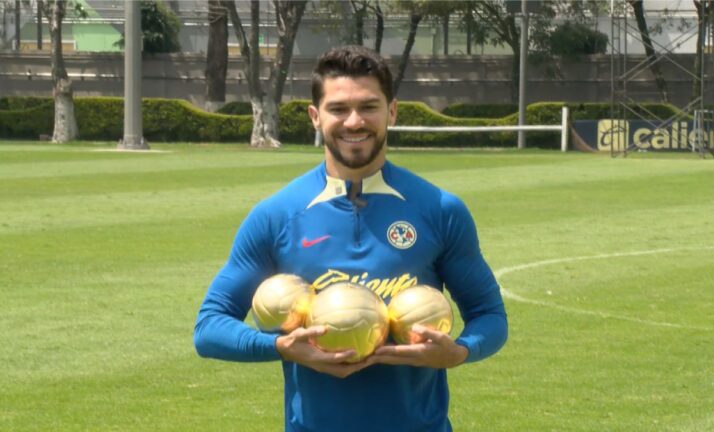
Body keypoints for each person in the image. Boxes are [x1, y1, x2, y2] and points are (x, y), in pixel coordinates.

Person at [194, 45, 508, 432]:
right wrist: (280, 347)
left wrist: (460, 352)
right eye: (339, 109)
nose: (354, 121)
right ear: (315, 116)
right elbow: (209, 328)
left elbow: (490, 316)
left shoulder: (439, 209)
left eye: (369, 106)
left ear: (392, 111)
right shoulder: (276, 216)